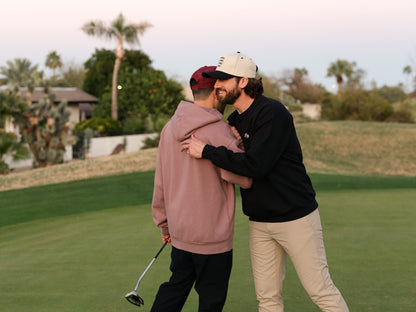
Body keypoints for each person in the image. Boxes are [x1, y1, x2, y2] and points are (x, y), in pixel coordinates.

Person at [181, 52, 349, 312]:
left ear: (244, 82)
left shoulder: (272, 112)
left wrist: (207, 151)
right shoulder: (233, 121)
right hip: (260, 222)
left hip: (296, 218)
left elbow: (256, 166)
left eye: (224, 79)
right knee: (268, 299)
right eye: (217, 80)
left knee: (321, 292)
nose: (217, 85)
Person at [150, 65, 252, 312]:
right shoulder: (220, 132)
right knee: (211, 300)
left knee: (175, 289)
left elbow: (160, 181)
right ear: (218, 92)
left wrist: (164, 224)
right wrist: (238, 144)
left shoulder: (169, 128)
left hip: (180, 232)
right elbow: (245, 179)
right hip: (212, 236)